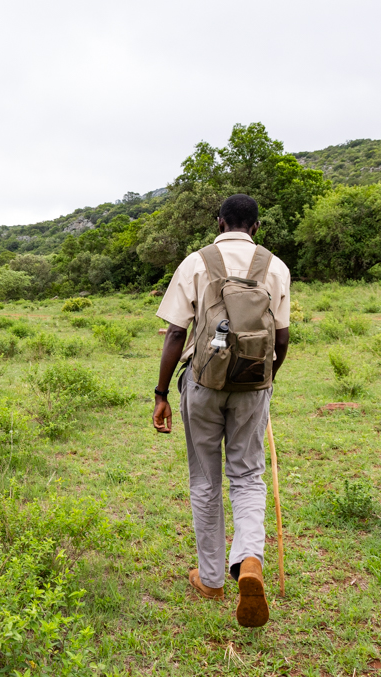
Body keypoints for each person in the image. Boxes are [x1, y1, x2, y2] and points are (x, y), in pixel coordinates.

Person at [152, 193, 290, 628]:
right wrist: (265, 382)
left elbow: (177, 332)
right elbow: (282, 339)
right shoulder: (275, 266)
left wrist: (160, 392)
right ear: (256, 228)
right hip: (254, 385)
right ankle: (249, 559)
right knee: (248, 476)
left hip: (202, 384)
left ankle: (211, 578)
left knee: (206, 479)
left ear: (220, 221)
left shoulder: (196, 262)